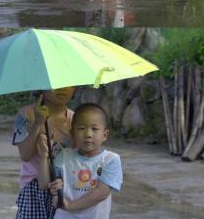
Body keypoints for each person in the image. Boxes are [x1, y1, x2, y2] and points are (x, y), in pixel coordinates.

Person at [38, 103, 123, 219]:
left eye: (94, 129)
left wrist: (70, 205)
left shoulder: (110, 160)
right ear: (72, 133)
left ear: (105, 135)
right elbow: (44, 184)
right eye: (81, 128)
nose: (88, 134)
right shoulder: (64, 156)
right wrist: (44, 156)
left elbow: (101, 193)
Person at [12, 87, 76, 219]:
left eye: (68, 83)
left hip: (63, 186)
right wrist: (37, 124)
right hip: (34, 189)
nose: (62, 88)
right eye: (56, 82)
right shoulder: (25, 114)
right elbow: (25, 155)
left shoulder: (75, 120)